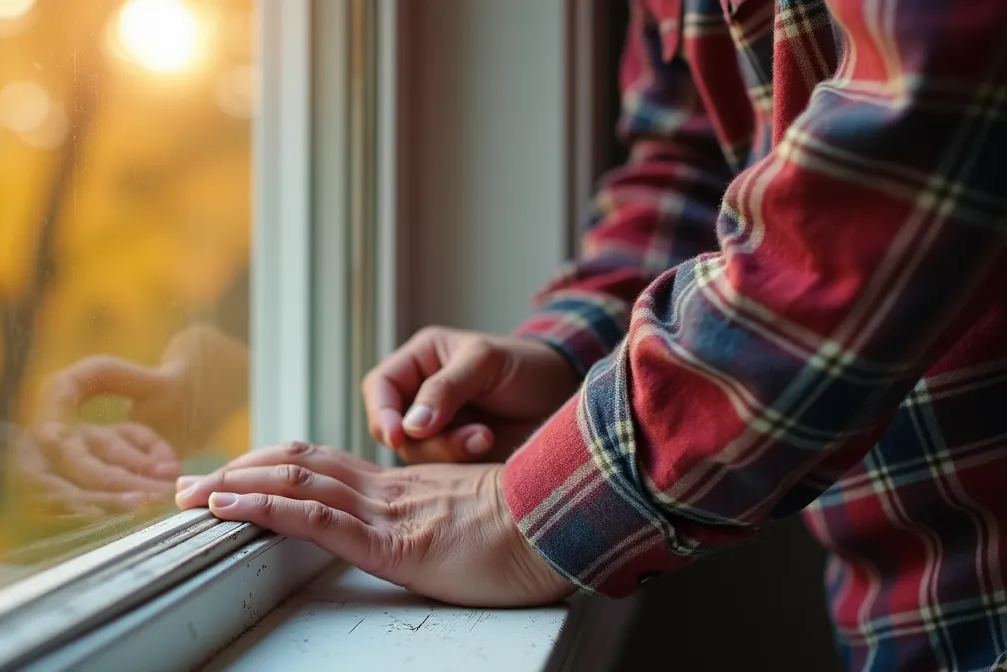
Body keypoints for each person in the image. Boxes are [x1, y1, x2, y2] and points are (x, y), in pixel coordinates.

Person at [50, 1, 1007, 669]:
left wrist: (529, 513)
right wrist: (561, 358)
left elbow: (932, 117)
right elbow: (696, 163)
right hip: (906, 602)